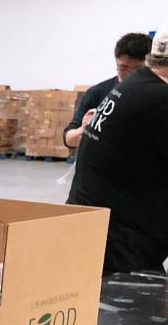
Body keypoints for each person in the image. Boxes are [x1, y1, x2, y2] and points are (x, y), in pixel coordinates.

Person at [66, 26, 168, 275]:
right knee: (131, 309)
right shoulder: (159, 98)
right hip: (119, 246)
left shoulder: (137, 83)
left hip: (94, 228)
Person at [64, 32, 153, 149]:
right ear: (117, 63)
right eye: (123, 68)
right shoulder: (97, 93)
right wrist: (87, 129)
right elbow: (68, 139)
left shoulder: (157, 95)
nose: (131, 75)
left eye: (138, 70)